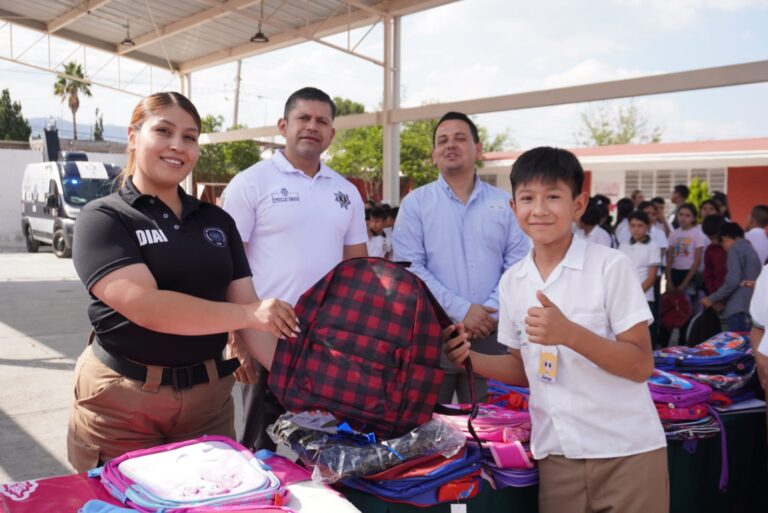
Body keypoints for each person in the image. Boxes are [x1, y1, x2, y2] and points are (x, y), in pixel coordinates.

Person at [68, 92, 298, 472]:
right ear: (133, 137)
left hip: (208, 403)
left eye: (190, 137)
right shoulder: (105, 218)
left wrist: (308, 388)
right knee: (122, 496)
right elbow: (148, 307)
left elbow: (250, 314)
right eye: (164, 131)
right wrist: (249, 314)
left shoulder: (216, 221)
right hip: (122, 402)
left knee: (214, 493)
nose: (178, 145)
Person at [445, 146, 667, 513]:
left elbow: (640, 364)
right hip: (558, 456)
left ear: (578, 204)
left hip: (626, 452)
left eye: (553, 196)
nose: (539, 209)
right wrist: (470, 359)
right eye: (527, 198)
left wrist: (570, 334)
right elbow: (522, 368)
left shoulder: (610, 267)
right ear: (513, 207)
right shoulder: (513, 281)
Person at [222, 87, 368, 452]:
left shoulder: (347, 192)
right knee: (260, 449)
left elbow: (358, 270)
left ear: (331, 133)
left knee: (326, 451)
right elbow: (227, 265)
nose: (312, 127)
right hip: (265, 335)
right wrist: (235, 337)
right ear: (283, 126)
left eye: (322, 121)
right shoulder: (251, 182)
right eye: (303, 118)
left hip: (328, 342)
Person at [392, 111, 529, 403]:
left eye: (459, 138)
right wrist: (462, 310)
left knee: (493, 421)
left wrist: (490, 312)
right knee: (429, 422)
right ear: (433, 155)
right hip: (433, 335)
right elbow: (410, 268)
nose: (450, 145)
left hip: (494, 335)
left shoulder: (505, 203)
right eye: (442, 141)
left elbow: (519, 264)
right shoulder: (415, 204)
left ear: (478, 149)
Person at [701, 222, 762, 332]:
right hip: (751, 306)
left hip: (738, 307)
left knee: (736, 341)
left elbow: (733, 280)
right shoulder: (750, 249)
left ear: (726, 238)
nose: (724, 249)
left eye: (723, 244)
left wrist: (712, 298)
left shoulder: (735, 249)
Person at [619, 211, 661, 343]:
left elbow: (652, 277)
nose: (636, 229)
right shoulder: (623, 244)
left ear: (648, 226)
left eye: (640, 226)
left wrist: (635, 294)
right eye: (633, 225)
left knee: (645, 336)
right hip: (624, 295)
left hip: (644, 297)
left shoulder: (653, 246)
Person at [701, 215, 727, 296]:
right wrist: (714, 295)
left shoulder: (738, 247)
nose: (714, 241)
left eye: (716, 238)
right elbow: (708, 274)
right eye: (711, 238)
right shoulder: (710, 250)